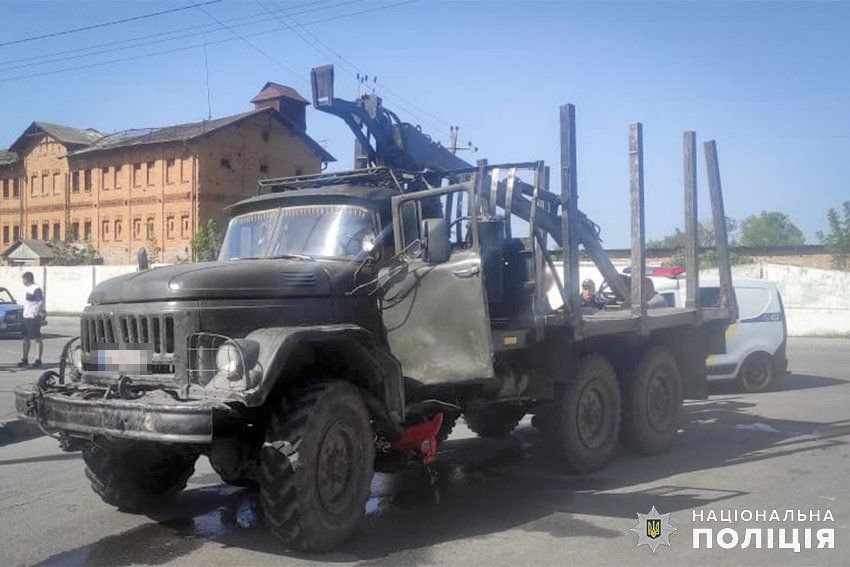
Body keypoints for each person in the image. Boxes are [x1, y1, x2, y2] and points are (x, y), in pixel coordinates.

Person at [18, 271, 44, 368]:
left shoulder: (36, 288)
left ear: (28, 279)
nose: (22, 281)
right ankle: (25, 359)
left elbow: (40, 302)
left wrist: (36, 313)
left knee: (37, 338)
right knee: (25, 338)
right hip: (26, 316)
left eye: (23, 279)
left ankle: (38, 360)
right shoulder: (27, 288)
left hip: (33, 317)